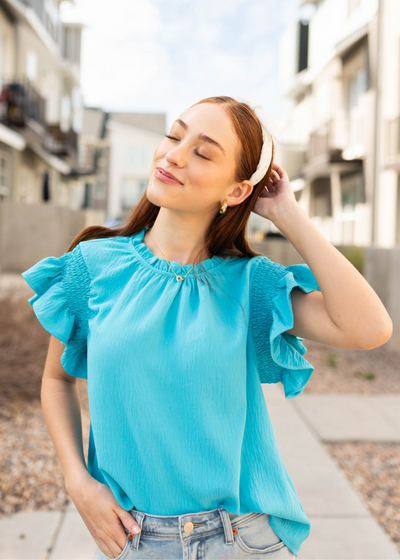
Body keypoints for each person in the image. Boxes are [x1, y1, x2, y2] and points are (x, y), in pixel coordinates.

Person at [21, 96, 393, 560]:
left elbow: (369, 329)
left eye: (203, 151)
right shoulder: (93, 267)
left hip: (240, 539)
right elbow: (57, 380)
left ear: (236, 192)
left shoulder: (250, 286)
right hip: (131, 538)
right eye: (175, 136)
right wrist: (78, 483)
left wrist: (288, 215)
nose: (174, 155)